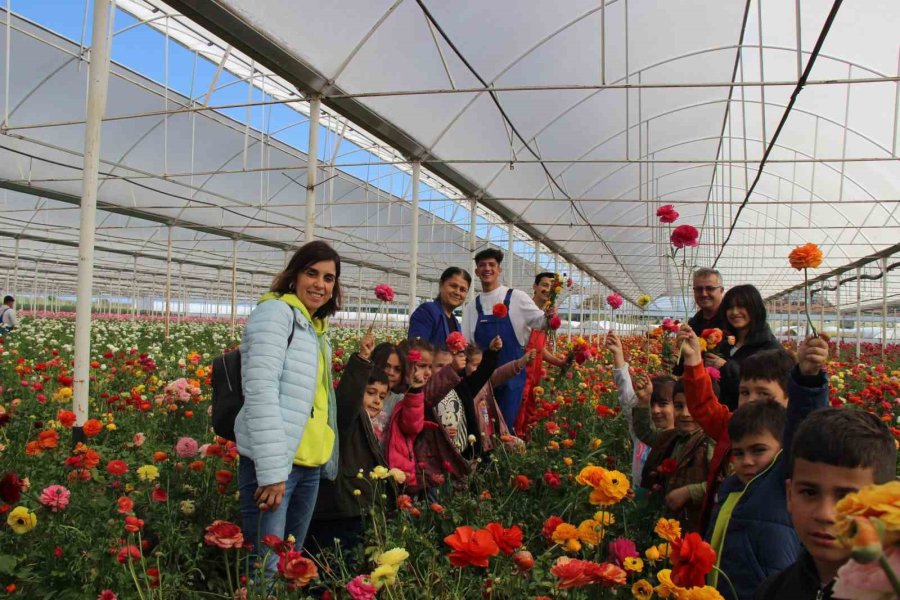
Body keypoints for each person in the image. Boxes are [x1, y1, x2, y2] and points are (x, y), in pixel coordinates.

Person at [235, 240, 342, 572]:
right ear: (294, 275)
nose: (320, 284)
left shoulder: (313, 327)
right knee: (265, 569)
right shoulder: (275, 313)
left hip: (308, 463)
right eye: (312, 273)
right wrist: (272, 474)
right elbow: (260, 391)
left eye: (328, 278)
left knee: (289, 566)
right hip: (277, 465)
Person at [706, 337, 829, 599]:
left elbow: (807, 432)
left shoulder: (785, 473)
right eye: (739, 453)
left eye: (759, 450)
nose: (747, 460)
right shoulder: (732, 484)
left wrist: (807, 380)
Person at [755, 408, 896, 600]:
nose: (825, 514)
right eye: (810, 492)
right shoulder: (772, 592)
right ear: (789, 495)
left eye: (847, 498)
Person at [679, 323, 796, 533]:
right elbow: (703, 406)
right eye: (744, 392)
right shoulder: (732, 425)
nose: (751, 400)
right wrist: (694, 359)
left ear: (791, 397)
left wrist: (811, 381)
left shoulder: (792, 439)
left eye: (763, 393)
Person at [307, 331, 391, 559]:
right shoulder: (347, 420)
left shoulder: (375, 425)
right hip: (339, 508)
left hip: (355, 507)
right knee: (332, 561)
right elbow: (347, 400)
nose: (377, 400)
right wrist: (361, 361)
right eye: (371, 393)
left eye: (382, 396)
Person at [461, 248, 549, 429]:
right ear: (476, 271)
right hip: (483, 381)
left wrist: (551, 317)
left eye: (491, 265)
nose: (487, 268)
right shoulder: (472, 307)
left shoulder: (516, 297)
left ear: (499, 269)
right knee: (482, 429)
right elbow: (467, 344)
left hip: (511, 383)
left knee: (505, 430)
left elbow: (540, 321)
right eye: (482, 265)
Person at [634, 378, 713, 532]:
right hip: (667, 521)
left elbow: (723, 484)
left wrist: (689, 492)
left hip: (695, 526)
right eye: (679, 406)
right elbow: (645, 432)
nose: (685, 413)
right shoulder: (671, 437)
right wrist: (643, 401)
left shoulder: (709, 443)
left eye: (694, 407)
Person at [605, 330, 674, 487]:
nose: (656, 410)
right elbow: (626, 397)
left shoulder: (679, 440)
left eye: (663, 404)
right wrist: (618, 355)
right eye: (651, 404)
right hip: (639, 494)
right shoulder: (640, 431)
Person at [515, 272, 574, 434]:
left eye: (551, 287)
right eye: (544, 285)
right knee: (518, 409)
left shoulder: (546, 316)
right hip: (521, 372)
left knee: (530, 410)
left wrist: (560, 362)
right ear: (535, 287)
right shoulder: (525, 312)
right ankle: (513, 442)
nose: (547, 290)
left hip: (534, 374)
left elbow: (540, 348)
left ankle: (524, 442)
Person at [716, 285, 782, 410]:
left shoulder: (770, 348)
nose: (735, 312)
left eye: (741, 306)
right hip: (721, 414)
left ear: (755, 309)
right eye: (730, 307)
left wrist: (725, 367)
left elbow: (763, 387)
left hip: (751, 416)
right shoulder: (725, 343)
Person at [384, 338, 434, 488]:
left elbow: (412, 425)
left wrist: (415, 390)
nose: (428, 372)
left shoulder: (413, 395)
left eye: (430, 367)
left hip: (404, 471)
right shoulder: (398, 396)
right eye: (422, 366)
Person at [674, 268, 727, 376]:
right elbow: (686, 361)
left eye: (710, 288)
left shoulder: (732, 321)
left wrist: (726, 366)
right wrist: (674, 365)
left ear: (721, 291)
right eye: (698, 289)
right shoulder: (693, 324)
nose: (703, 294)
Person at [407, 267, 470, 347]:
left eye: (462, 290)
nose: (457, 292)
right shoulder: (427, 311)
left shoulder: (455, 322)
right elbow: (416, 348)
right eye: (453, 286)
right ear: (441, 284)